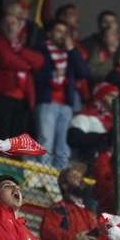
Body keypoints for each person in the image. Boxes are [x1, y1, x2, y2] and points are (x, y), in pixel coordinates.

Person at [34, 19, 89, 169]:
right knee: (46, 140)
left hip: (66, 104)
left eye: (65, 33)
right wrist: (51, 75)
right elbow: (34, 74)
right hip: (47, 101)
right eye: (59, 31)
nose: (62, 36)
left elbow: (83, 72)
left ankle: (61, 177)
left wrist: (71, 49)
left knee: (63, 143)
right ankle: (43, 174)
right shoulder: (41, 49)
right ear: (49, 33)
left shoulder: (69, 53)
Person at [39, 168, 106, 240]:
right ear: (64, 185)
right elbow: (47, 232)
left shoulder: (91, 213)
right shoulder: (58, 208)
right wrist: (74, 238)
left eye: (80, 178)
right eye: (74, 177)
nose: (80, 180)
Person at [0, 14, 44, 139]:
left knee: (17, 136)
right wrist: (27, 65)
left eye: (13, 23)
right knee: (2, 134)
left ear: (19, 27)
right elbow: (7, 59)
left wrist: (19, 51)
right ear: (1, 26)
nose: (10, 27)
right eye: (7, 23)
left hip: (23, 98)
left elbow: (39, 61)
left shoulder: (22, 46)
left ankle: (13, 158)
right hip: (3, 95)